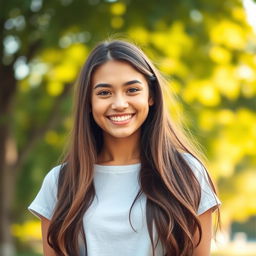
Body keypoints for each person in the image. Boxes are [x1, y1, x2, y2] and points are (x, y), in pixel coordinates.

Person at [28, 39, 220, 256]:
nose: (119, 103)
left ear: (151, 96)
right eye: (104, 93)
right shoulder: (60, 182)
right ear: (88, 103)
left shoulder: (187, 173)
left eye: (132, 90)